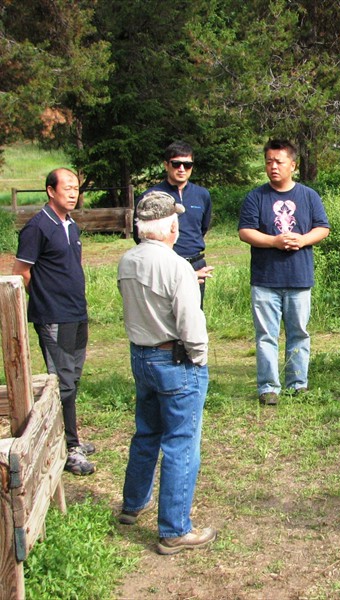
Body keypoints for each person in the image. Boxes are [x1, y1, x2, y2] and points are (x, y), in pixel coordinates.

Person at [117, 191, 216, 555]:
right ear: (171, 227)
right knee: (181, 442)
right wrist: (200, 358)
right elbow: (191, 322)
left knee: (146, 432)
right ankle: (174, 529)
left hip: (141, 356)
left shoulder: (126, 261)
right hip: (174, 361)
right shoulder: (177, 267)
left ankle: (133, 504)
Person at [12, 168, 96, 476]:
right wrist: (44, 298)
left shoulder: (71, 225)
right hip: (54, 316)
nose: (73, 193)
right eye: (67, 188)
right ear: (50, 191)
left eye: (76, 188)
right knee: (60, 382)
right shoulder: (38, 227)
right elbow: (21, 270)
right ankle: (66, 448)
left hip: (76, 312)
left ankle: (69, 435)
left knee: (72, 378)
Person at [238, 139, 330, 406]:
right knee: (266, 335)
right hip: (265, 279)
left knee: (299, 332)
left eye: (279, 161)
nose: (273, 167)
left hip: (299, 278)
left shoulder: (308, 196)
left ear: (293, 165)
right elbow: (246, 232)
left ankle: (297, 383)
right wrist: (274, 241)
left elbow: (322, 228)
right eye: (269, 161)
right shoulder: (256, 196)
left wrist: (302, 240)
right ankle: (268, 387)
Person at [138, 140, 214, 305]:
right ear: (166, 165)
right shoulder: (152, 196)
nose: (181, 169)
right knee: (163, 317)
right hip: (162, 265)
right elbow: (140, 234)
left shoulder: (202, 195)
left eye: (187, 165)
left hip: (195, 263)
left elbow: (202, 228)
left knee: (192, 316)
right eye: (176, 163)